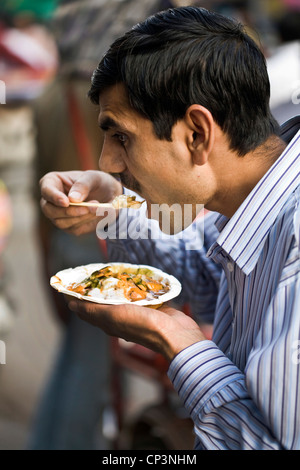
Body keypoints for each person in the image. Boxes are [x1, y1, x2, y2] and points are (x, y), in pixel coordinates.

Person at [39, 6, 300, 450]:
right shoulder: (255, 203)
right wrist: (116, 210)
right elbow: (203, 271)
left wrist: (180, 343)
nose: (107, 163)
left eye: (121, 136)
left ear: (197, 133)